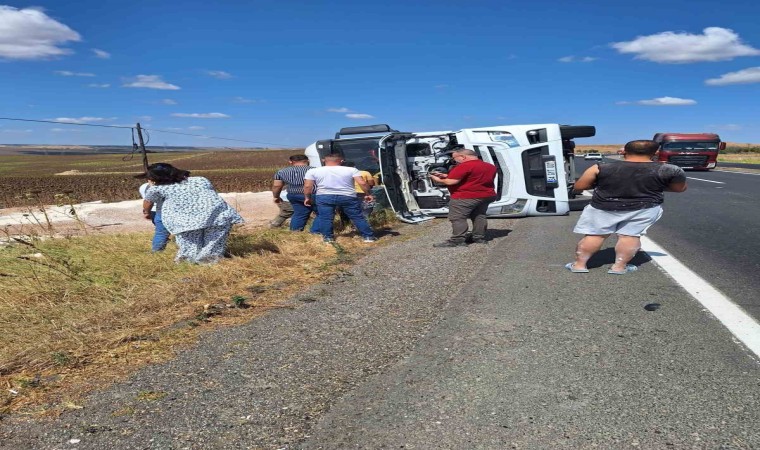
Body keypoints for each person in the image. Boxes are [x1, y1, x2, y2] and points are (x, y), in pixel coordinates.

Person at [566, 139, 687, 274]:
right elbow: (679, 188)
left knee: (595, 235)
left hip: (603, 207)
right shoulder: (671, 170)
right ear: (656, 152)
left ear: (624, 151)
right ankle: (619, 267)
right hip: (644, 208)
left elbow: (580, 186)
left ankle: (579, 265)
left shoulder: (600, 167)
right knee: (629, 236)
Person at [142, 163, 243, 264]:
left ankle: (189, 267)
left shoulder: (157, 188)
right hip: (219, 215)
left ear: (155, 178)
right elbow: (209, 193)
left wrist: (147, 212)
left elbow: (148, 203)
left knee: (189, 250)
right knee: (213, 246)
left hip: (188, 222)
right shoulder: (201, 179)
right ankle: (209, 265)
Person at [428, 148, 497, 247]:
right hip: (487, 195)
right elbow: (472, 178)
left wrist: (438, 179)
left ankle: (457, 240)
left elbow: (451, 182)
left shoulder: (464, 166)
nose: (454, 160)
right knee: (479, 216)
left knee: (457, 217)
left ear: (463, 157)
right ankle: (478, 237)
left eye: (454, 158)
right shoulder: (490, 166)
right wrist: (445, 175)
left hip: (465, 197)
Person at [303, 154, 377, 243]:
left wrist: (307, 197)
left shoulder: (313, 171)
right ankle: (368, 237)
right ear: (341, 161)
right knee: (357, 217)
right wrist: (368, 194)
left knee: (326, 218)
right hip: (347, 196)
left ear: (323, 160)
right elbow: (362, 183)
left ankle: (328, 238)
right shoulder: (352, 170)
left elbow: (307, 186)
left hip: (324, 196)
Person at [272, 155, 315, 232]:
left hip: (293, 195)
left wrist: (276, 196)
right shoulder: (315, 170)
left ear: (291, 162)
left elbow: (277, 185)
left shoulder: (281, 172)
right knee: (321, 213)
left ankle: (295, 232)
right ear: (308, 161)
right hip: (312, 194)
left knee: (299, 214)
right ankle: (317, 232)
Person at [139, 182, 171, 251]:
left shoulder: (145, 187)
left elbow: (148, 201)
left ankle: (157, 251)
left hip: (159, 211)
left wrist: (146, 212)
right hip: (173, 211)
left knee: (161, 232)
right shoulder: (176, 184)